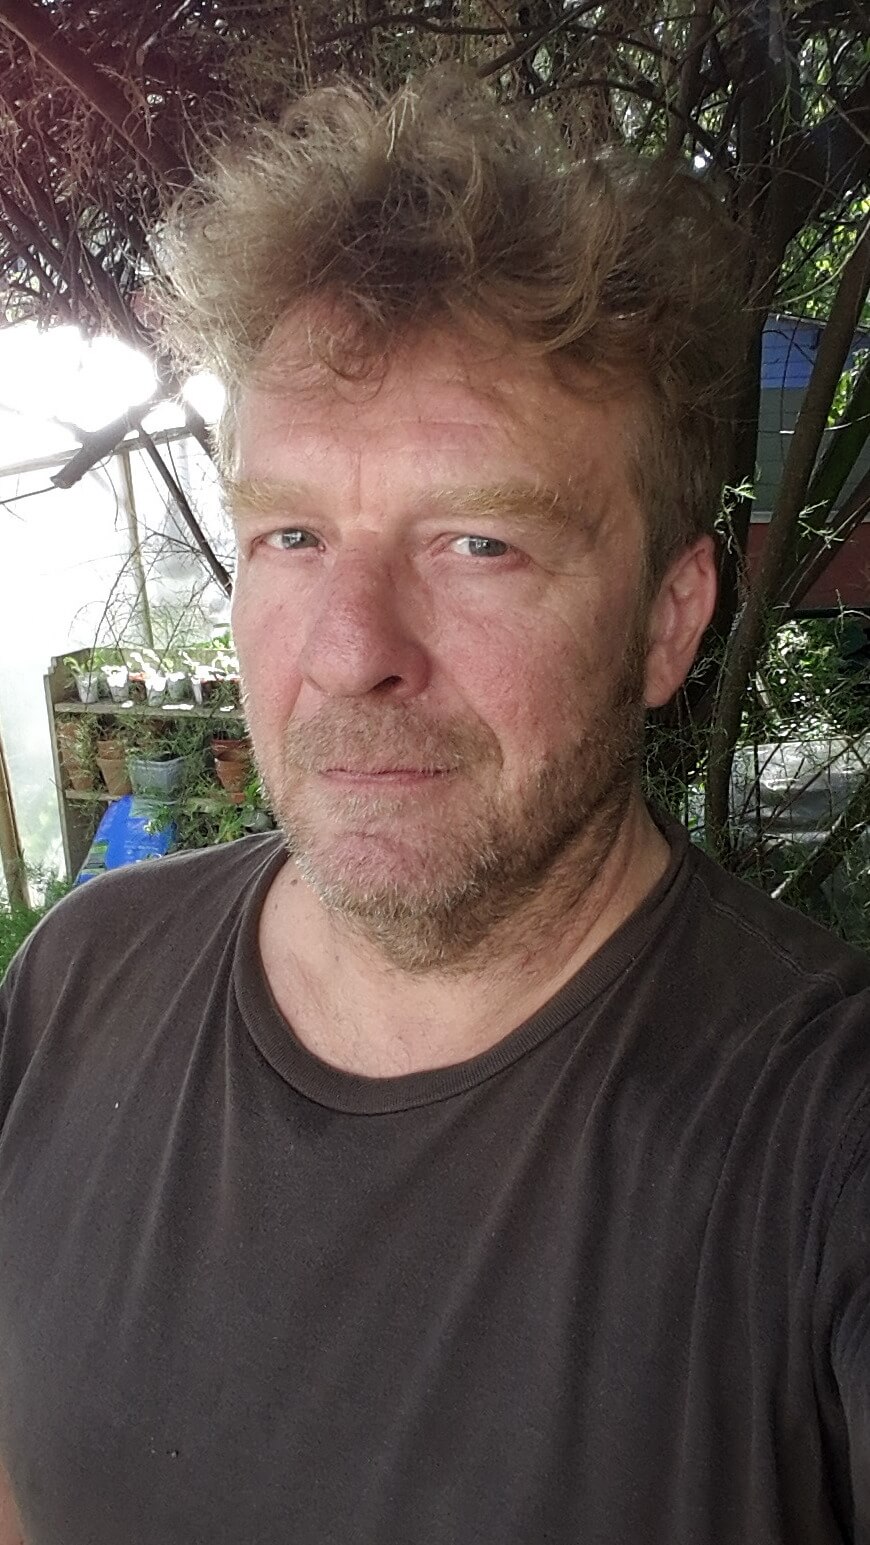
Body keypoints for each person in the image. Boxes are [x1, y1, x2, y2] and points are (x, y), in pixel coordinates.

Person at [1, 72, 869, 1545]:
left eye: (478, 543)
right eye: (292, 534)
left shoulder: (819, 1140)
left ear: (668, 620)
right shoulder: (81, 981)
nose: (352, 651)